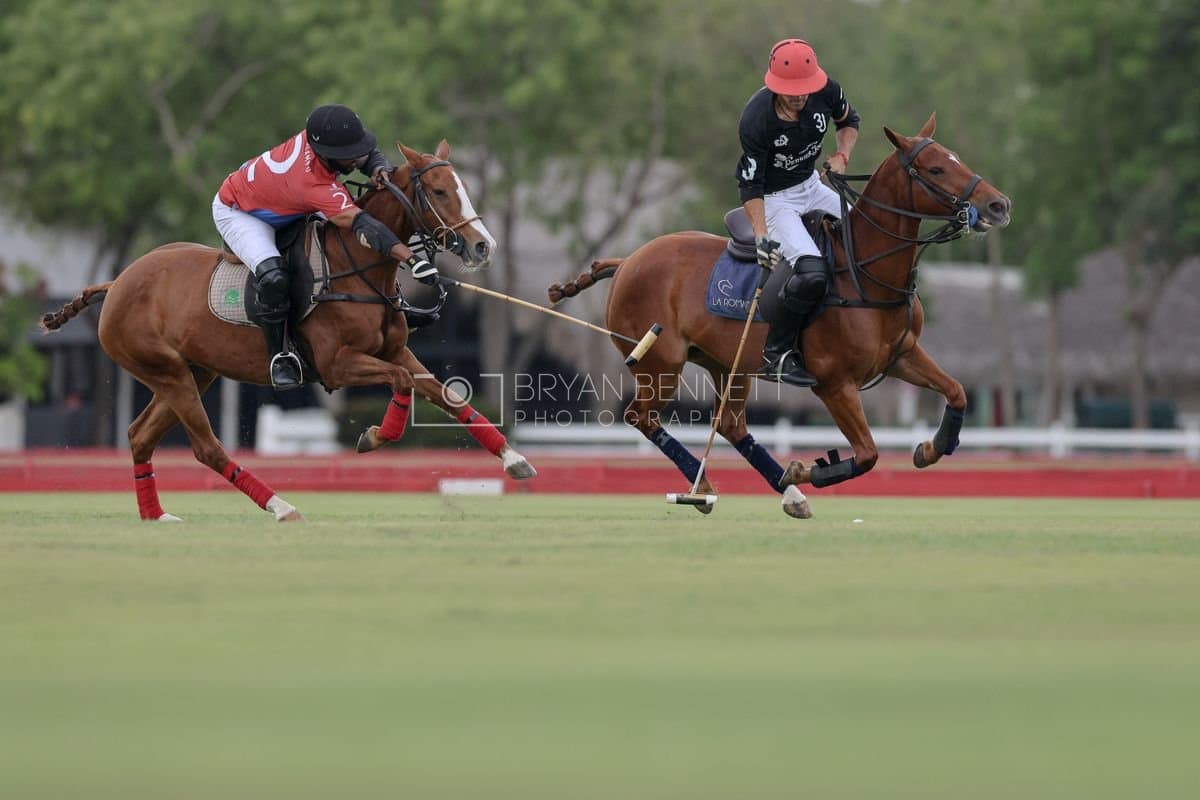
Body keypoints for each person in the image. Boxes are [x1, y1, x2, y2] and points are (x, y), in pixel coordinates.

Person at [213, 104, 439, 390]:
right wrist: (412, 259)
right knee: (274, 277)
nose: (358, 158)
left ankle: (392, 305)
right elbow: (365, 226)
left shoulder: (323, 139)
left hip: (285, 202)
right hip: (241, 212)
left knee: (351, 249)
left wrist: (379, 167)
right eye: (349, 155)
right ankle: (280, 355)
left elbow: (366, 155)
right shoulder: (311, 181)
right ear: (327, 154)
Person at [735, 39, 860, 386]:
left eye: (804, 89)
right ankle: (776, 354)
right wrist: (761, 233)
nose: (799, 96)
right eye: (791, 91)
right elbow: (750, 186)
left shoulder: (826, 91)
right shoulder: (756, 119)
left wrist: (842, 155)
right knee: (812, 273)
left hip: (812, 185)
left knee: (863, 238)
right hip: (775, 199)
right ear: (775, 86)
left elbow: (849, 120)